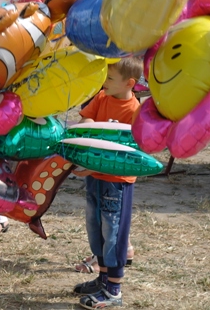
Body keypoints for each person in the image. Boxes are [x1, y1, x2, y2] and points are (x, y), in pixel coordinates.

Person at [72, 57, 143, 309]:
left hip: (116, 182)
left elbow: (127, 153)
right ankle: (102, 278)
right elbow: (86, 119)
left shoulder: (134, 111)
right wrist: (87, 131)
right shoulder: (102, 97)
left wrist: (92, 163)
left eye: (110, 78)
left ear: (129, 83)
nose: (104, 82)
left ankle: (114, 290)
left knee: (114, 233)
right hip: (95, 178)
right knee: (96, 228)